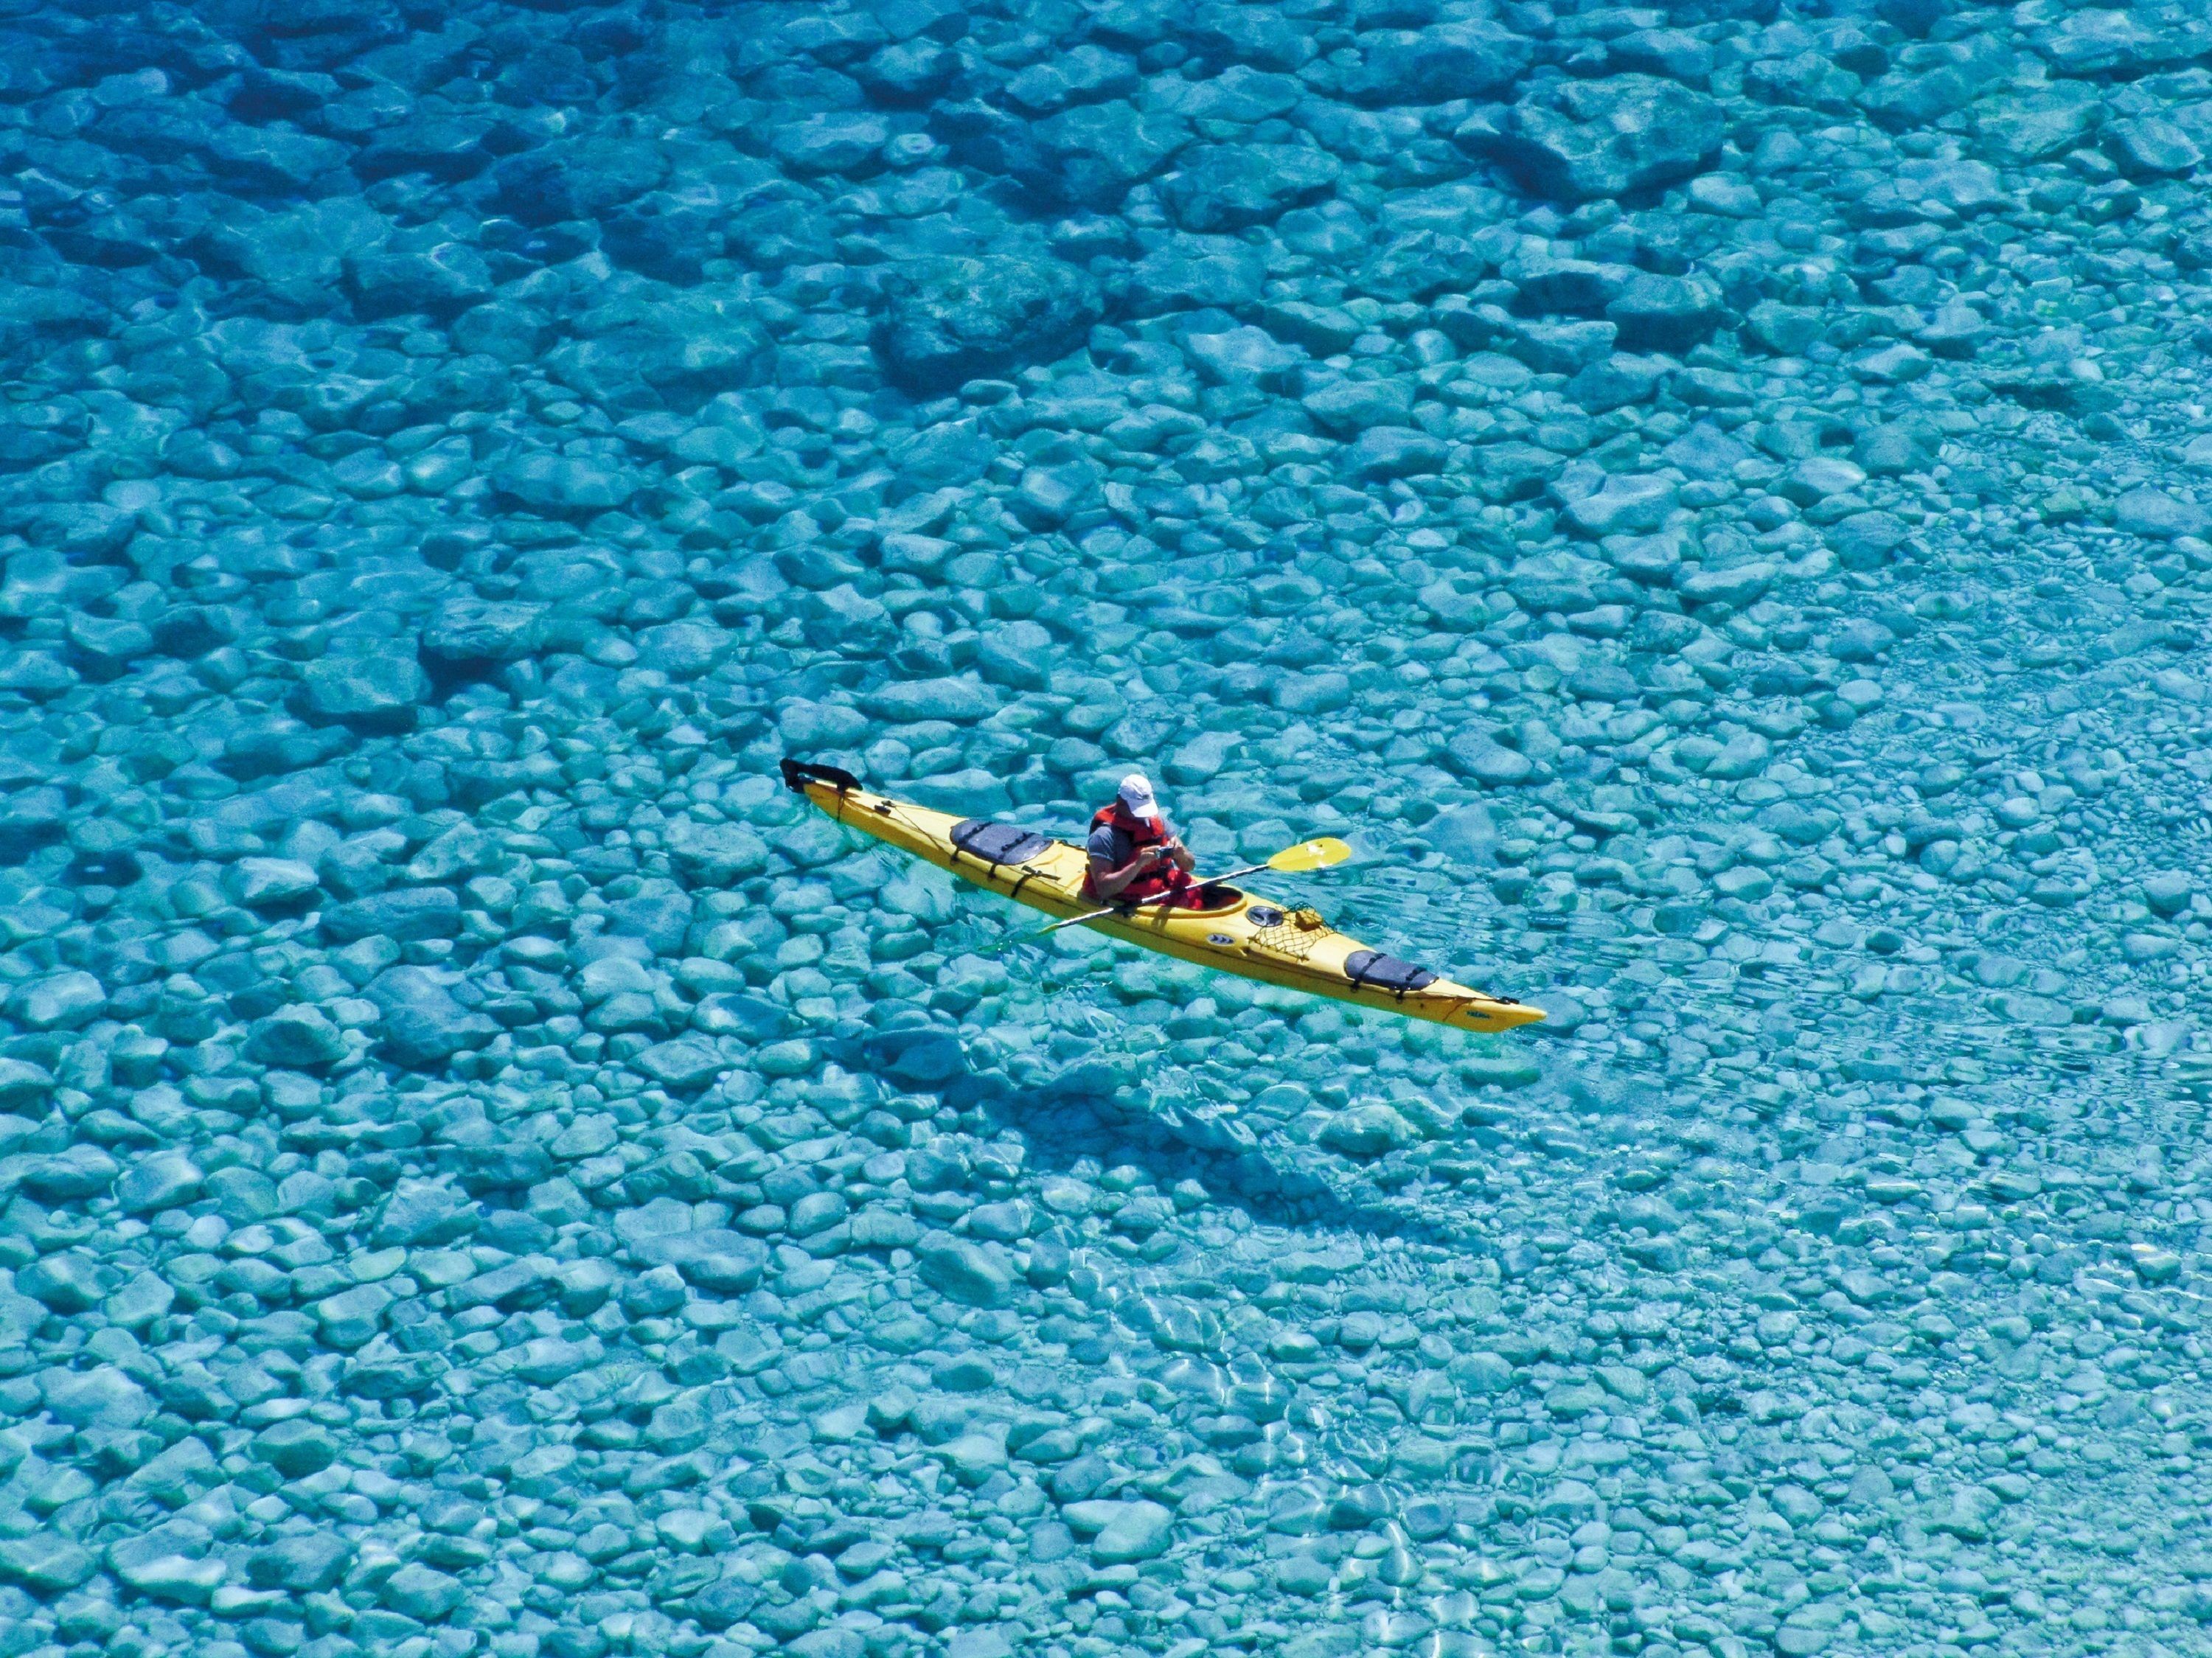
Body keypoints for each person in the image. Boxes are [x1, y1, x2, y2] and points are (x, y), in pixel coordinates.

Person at [1085, 773, 1203, 908]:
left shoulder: (1158, 821)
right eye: (1137, 809)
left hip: (1163, 890)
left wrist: (1181, 855)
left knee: (1196, 894)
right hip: (1131, 899)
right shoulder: (1103, 836)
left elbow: (1189, 866)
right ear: (1120, 802)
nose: (1142, 816)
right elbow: (1104, 890)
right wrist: (1138, 864)